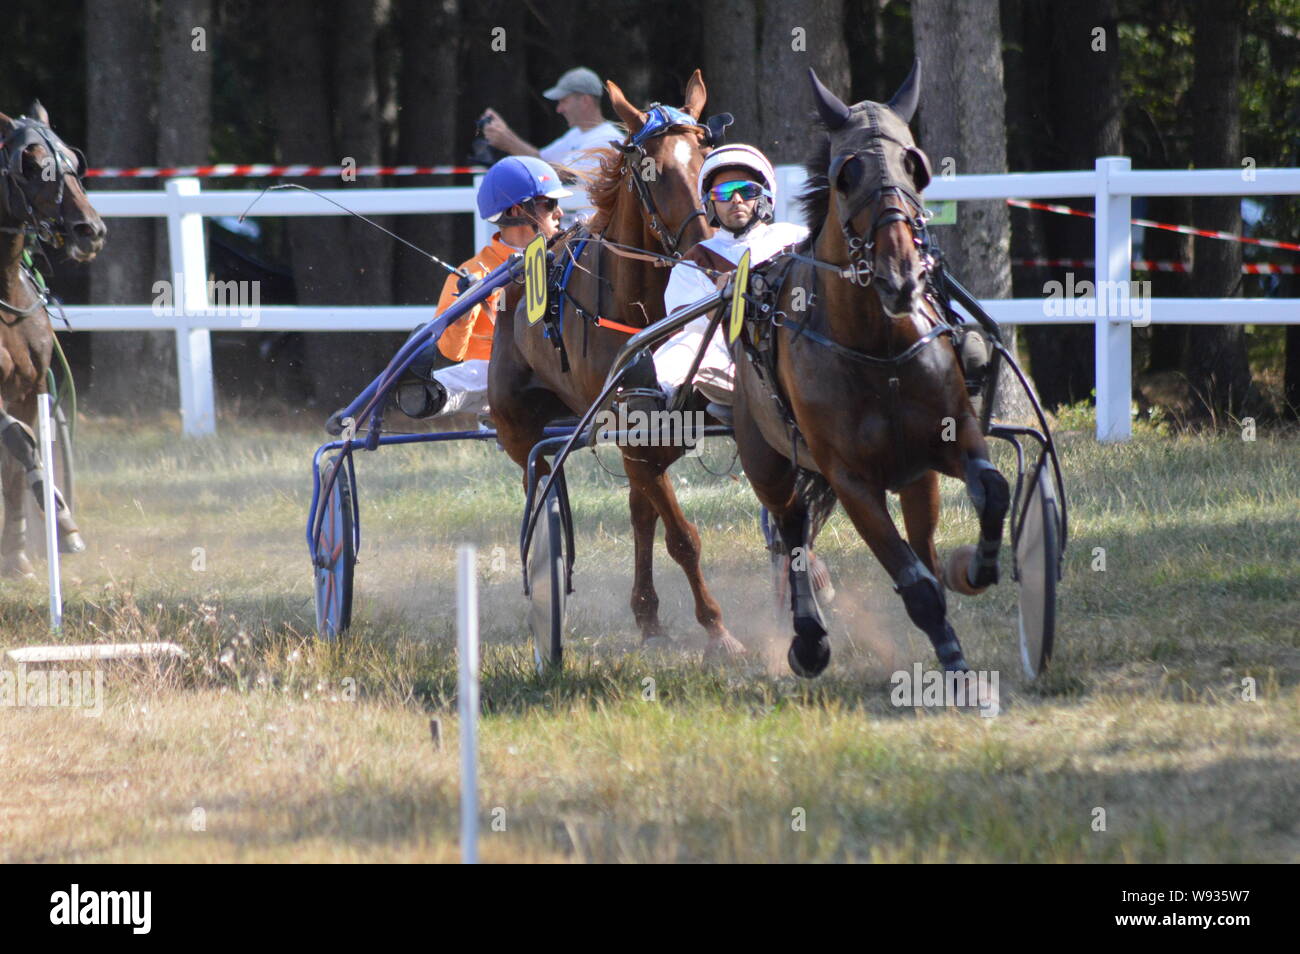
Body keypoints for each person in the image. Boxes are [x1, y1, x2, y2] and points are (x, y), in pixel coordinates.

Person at [625, 144, 808, 413]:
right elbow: (689, 330)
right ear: (710, 203)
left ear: (764, 196)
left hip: (801, 352)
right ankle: (648, 395)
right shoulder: (694, 261)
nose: (736, 199)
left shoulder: (797, 239)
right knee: (688, 344)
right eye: (723, 193)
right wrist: (719, 304)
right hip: (735, 367)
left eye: (747, 191)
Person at [394, 156, 569, 420]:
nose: (560, 213)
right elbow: (452, 351)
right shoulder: (474, 272)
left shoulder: (571, 256)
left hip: (565, 371)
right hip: (505, 381)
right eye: (550, 204)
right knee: (474, 371)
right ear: (516, 211)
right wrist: (467, 310)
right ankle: (426, 394)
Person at [478, 67, 621, 224]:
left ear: (585, 100)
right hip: (580, 230)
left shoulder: (606, 139)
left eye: (563, 101)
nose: (559, 109)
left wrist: (507, 140)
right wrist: (506, 136)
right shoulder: (577, 134)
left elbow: (558, 175)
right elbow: (540, 159)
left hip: (592, 232)